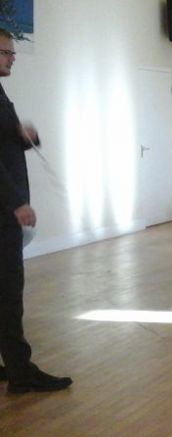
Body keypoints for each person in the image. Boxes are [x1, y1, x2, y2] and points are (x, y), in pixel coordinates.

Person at [0, 29, 72, 393]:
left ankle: (12, 365)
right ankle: (20, 372)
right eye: (6, 52)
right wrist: (16, 201)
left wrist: (26, 136)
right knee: (8, 293)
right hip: (3, 211)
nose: (13, 57)